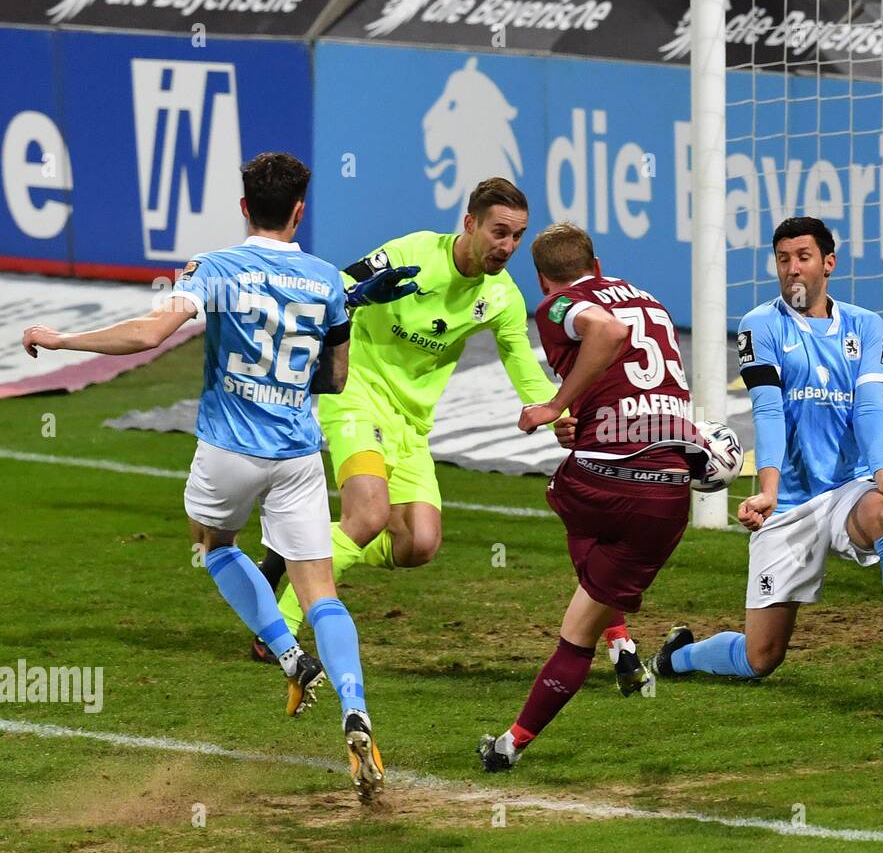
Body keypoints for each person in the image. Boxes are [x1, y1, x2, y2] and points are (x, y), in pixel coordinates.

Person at [21, 152, 384, 800]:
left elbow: (149, 334)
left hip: (229, 448)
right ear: (300, 210)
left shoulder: (214, 268)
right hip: (298, 452)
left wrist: (64, 341)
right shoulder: (328, 279)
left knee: (213, 542)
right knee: (321, 591)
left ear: (244, 207)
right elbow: (335, 380)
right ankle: (355, 709)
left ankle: (287, 652)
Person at [255, 178, 649, 689]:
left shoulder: (501, 297)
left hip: (412, 422)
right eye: (498, 232)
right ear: (470, 224)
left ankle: (300, 552)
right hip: (355, 393)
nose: (506, 247)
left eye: (516, 237)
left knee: (419, 544)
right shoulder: (411, 253)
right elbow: (339, 288)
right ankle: (277, 629)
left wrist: (553, 409)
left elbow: (521, 364)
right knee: (369, 515)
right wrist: (353, 298)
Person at [646, 216, 883, 697]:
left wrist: (880, 473)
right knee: (760, 658)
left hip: (848, 488)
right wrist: (767, 490)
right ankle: (679, 655)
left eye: (803, 257)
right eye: (783, 259)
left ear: (828, 263)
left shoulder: (865, 326)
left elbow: (869, 408)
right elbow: (768, 411)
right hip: (786, 501)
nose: (792, 269)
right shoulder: (760, 325)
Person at [478, 222, 696, 771]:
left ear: (543, 279)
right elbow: (641, 382)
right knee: (591, 601)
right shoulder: (652, 302)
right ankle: (617, 644)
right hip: (670, 491)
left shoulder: (558, 304)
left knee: (567, 500)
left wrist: (554, 407)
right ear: (597, 264)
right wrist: (583, 418)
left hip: (604, 477)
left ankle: (515, 740)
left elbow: (604, 333)